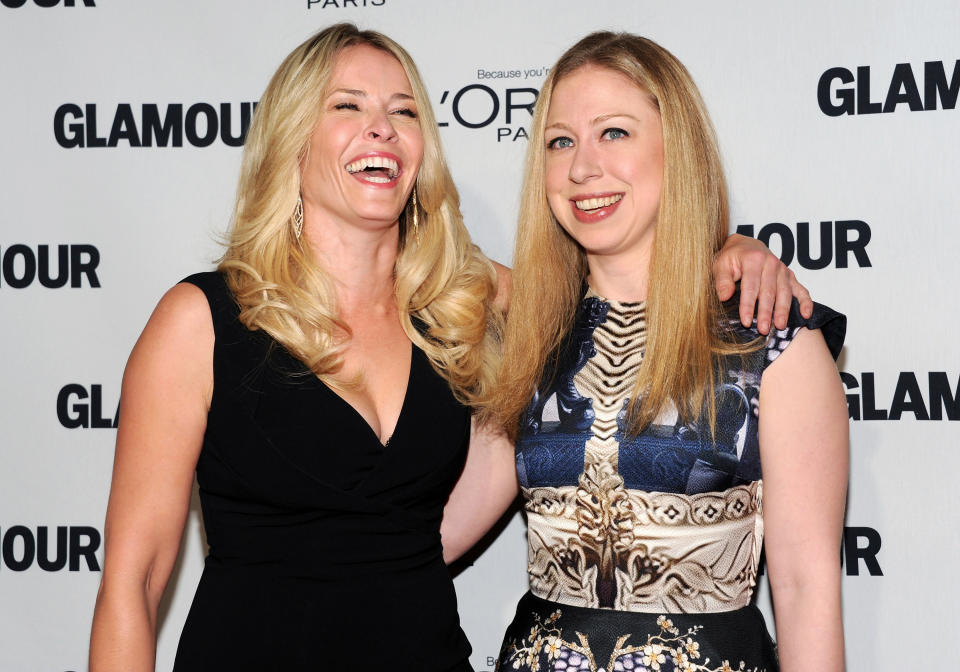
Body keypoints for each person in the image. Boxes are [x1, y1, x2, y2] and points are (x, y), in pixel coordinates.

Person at [88, 24, 814, 672]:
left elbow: (614, 278)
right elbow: (135, 577)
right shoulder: (203, 319)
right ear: (290, 138)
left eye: (403, 112)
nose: (381, 129)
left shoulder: (458, 304)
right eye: (348, 107)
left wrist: (732, 250)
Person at [484, 32, 849, 672]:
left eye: (614, 133)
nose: (581, 167)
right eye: (560, 141)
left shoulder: (772, 334)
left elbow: (804, 587)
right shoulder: (527, 337)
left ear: (675, 149)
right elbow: (431, 530)